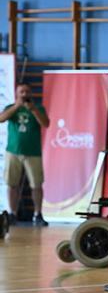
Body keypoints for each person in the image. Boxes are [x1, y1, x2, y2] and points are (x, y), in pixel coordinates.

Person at [0, 83, 50, 226]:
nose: (24, 94)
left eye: (26, 91)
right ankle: (12, 214)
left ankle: (38, 214)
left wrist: (33, 110)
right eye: (21, 92)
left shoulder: (38, 108)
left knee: (36, 185)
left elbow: (46, 124)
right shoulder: (11, 108)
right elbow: (1, 119)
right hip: (13, 152)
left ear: (31, 93)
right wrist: (17, 106)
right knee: (12, 184)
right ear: (17, 94)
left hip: (33, 152)